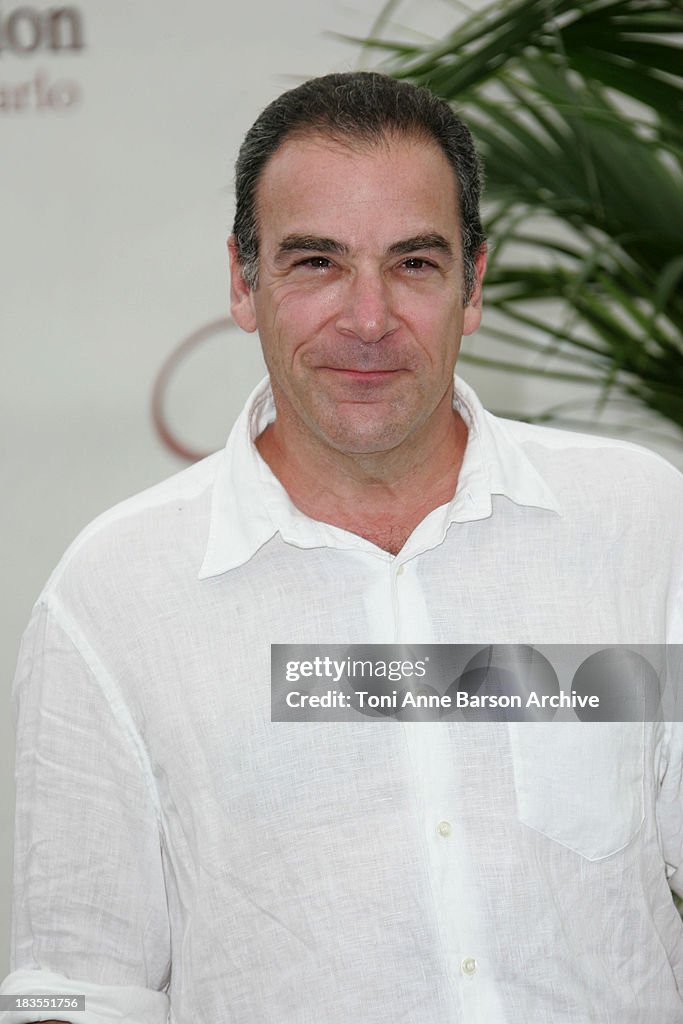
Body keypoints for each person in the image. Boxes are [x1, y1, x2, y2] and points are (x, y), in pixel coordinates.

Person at [1, 70, 683, 1024]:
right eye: (316, 263)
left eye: (413, 263)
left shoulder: (640, 523)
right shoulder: (113, 598)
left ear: (472, 285)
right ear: (244, 282)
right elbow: (78, 990)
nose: (367, 321)